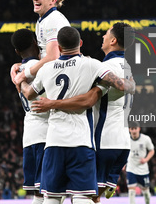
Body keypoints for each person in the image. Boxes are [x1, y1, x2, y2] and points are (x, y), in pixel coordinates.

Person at [20, 26, 133, 204]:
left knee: (51, 198)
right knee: (83, 197)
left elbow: (28, 93)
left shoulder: (46, 69)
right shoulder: (93, 65)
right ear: (80, 43)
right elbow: (122, 86)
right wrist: (132, 85)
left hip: (53, 142)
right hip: (81, 142)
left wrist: (18, 79)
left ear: (58, 46)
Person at [11, 28, 49, 204]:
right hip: (47, 135)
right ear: (36, 43)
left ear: (17, 52)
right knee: (52, 191)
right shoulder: (43, 69)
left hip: (29, 137)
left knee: (38, 194)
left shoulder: (18, 72)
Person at [10, 0, 70, 86]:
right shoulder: (42, 19)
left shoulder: (53, 19)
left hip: (61, 76)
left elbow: (53, 57)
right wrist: (20, 65)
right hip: (52, 73)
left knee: (23, 82)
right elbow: (44, 56)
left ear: (53, 1)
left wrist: (25, 74)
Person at [126, 122, 155, 204]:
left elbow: (152, 150)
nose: (134, 131)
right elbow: (123, 152)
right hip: (131, 168)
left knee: (146, 191)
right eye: (132, 129)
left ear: (139, 129)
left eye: (135, 129)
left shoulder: (146, 139)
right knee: (131, 191)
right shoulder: (126, 139)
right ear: (129, 130)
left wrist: (146, 159)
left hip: (143, 170)